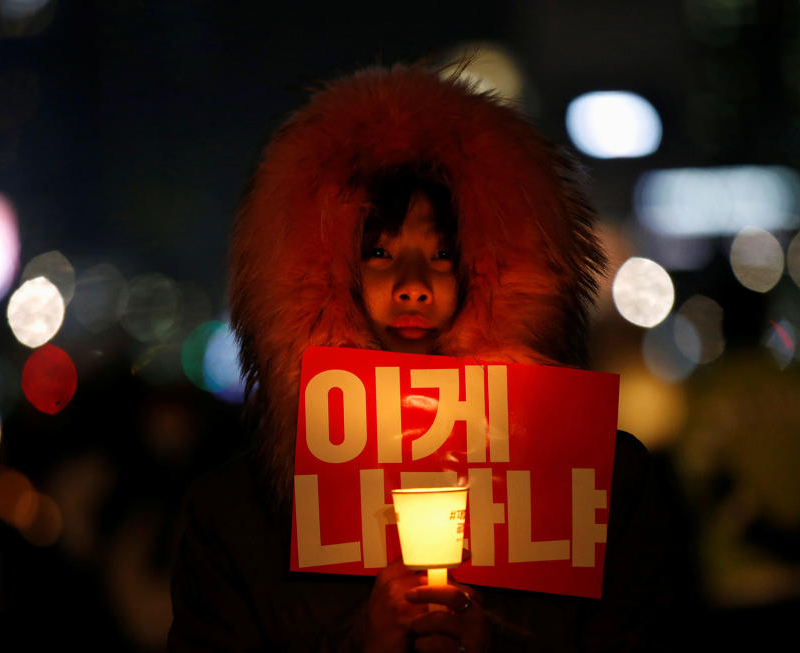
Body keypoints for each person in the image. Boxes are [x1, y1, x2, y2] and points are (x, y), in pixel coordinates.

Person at [169, 64, 684, 652]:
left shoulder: (607, 494)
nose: (413, 286)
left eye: (442, 253)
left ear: (495, 270)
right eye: (380, 252)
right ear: (318, 273)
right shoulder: (237, 518)